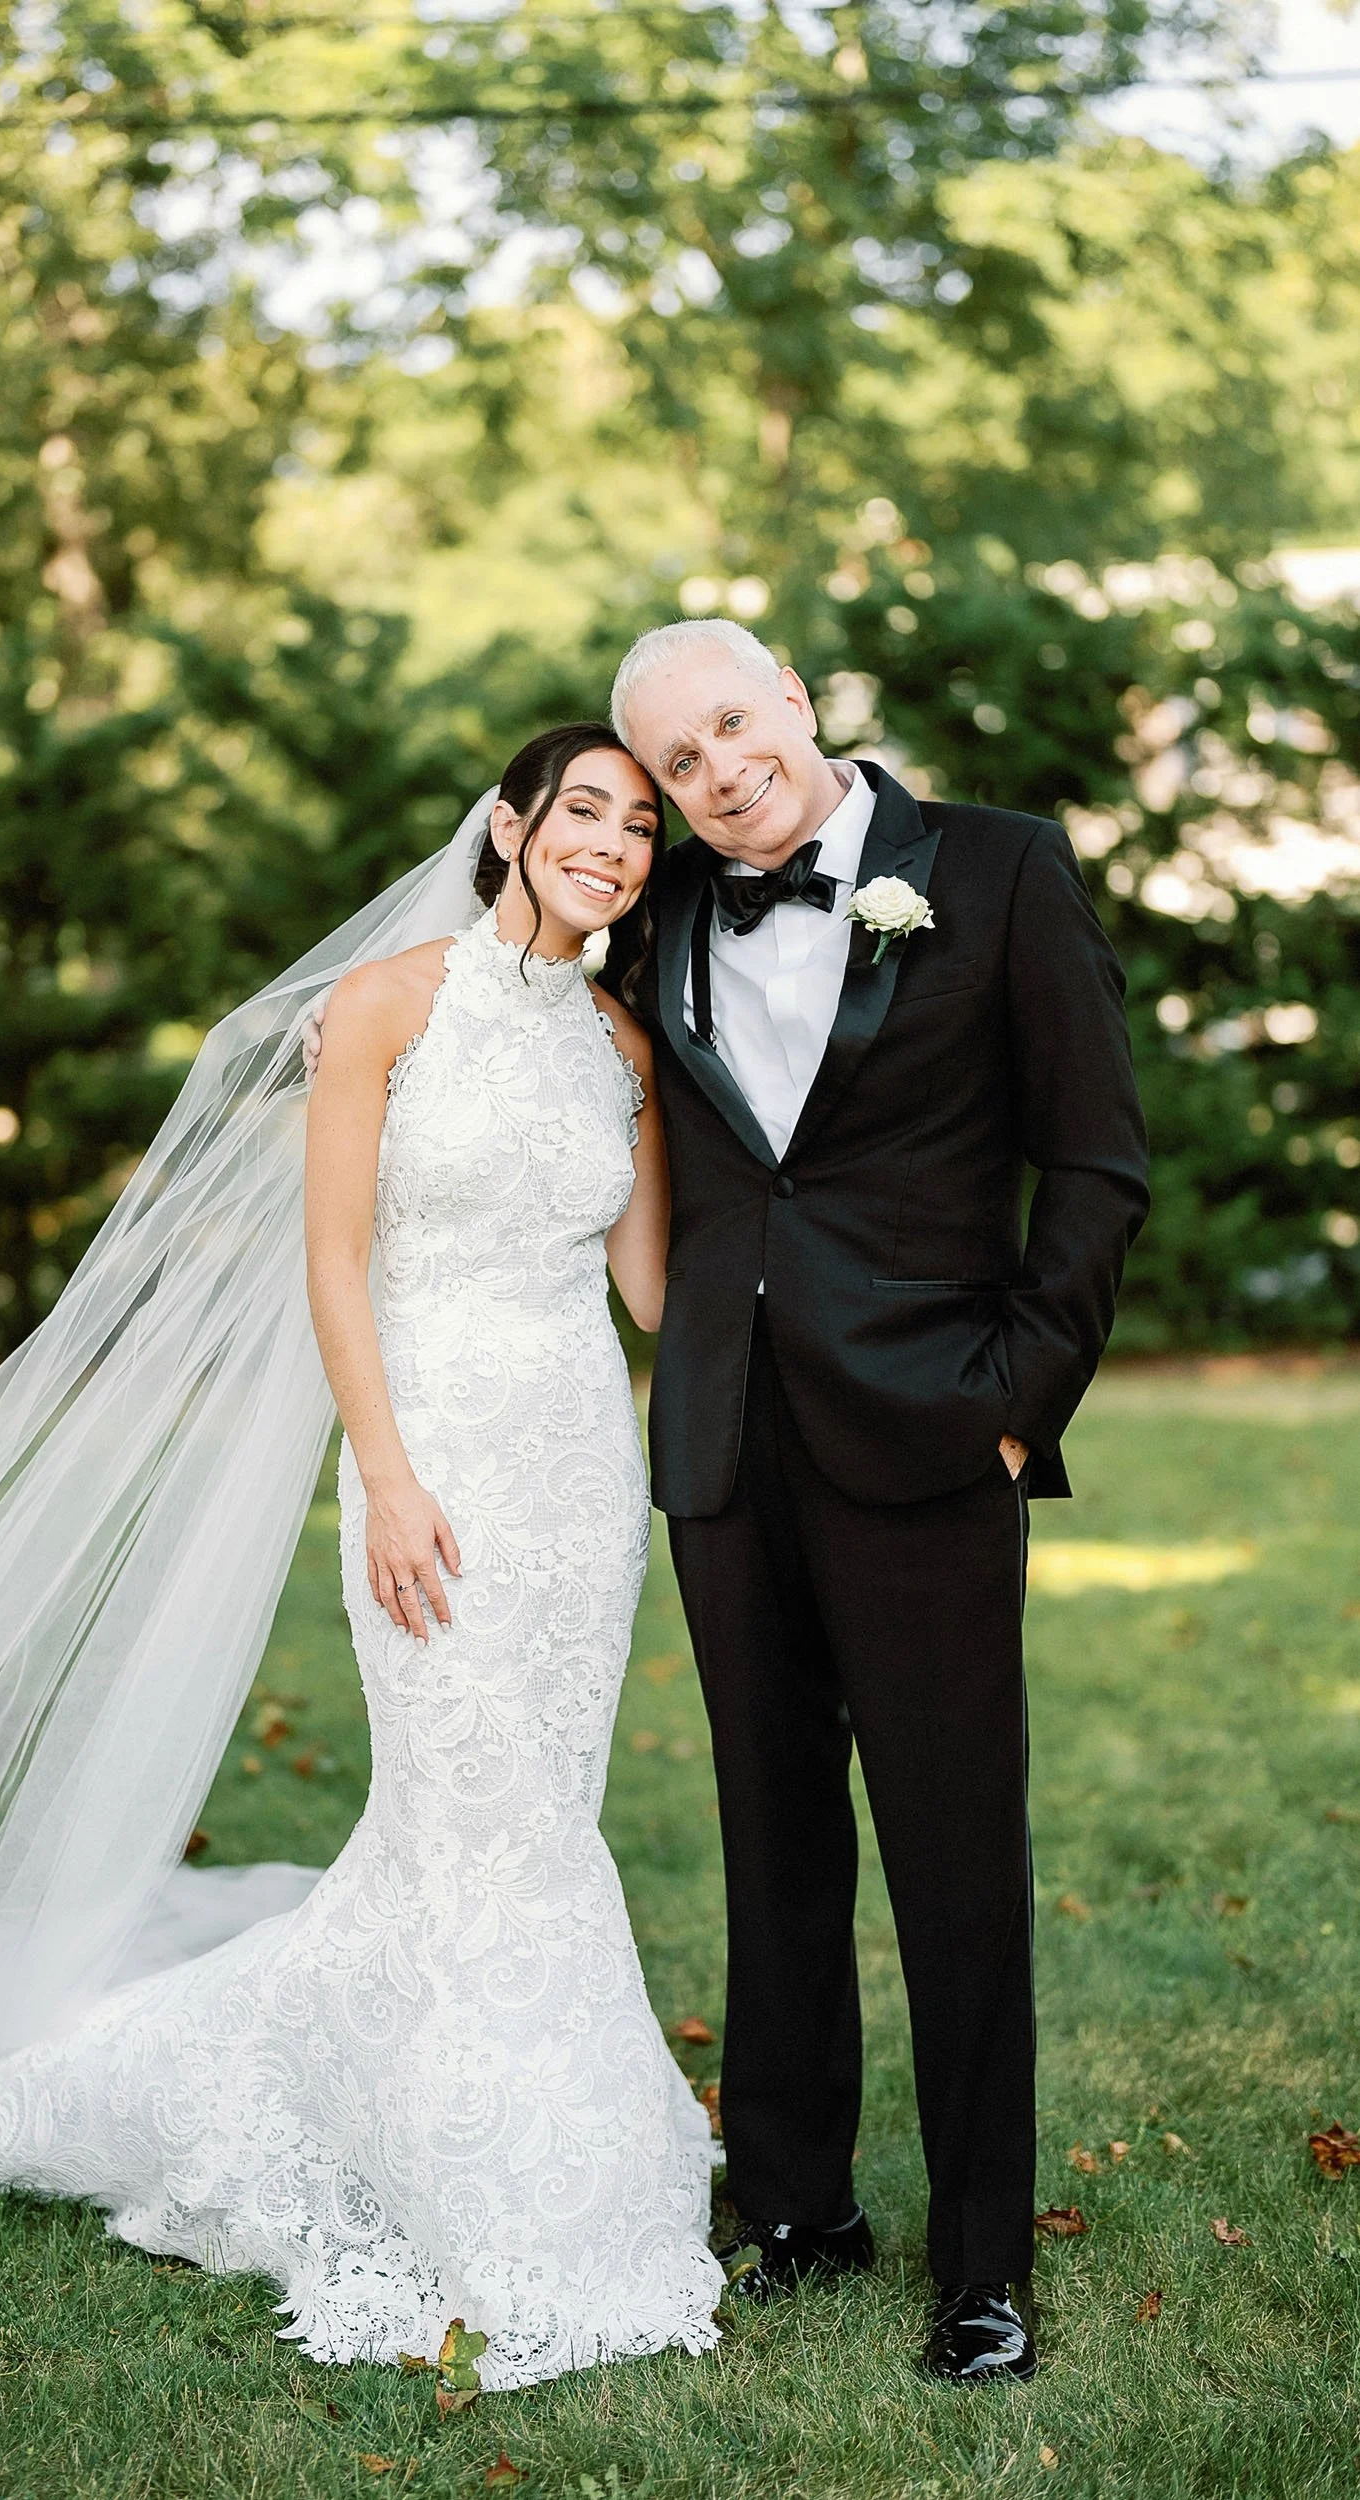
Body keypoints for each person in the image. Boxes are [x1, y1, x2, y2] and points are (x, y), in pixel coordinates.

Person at [0, 724, 726, 2390]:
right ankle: (487, 2173)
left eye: (638, 827)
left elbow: (652, 1297)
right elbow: (335, 1259)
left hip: (576, 1488)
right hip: (433, 1467)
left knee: (535, 1814)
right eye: (584, 812)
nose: (611, 845)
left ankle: (515, 2135)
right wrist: (386, 1480)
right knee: (464, 1813)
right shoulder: (388, 1005)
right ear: (511, 824)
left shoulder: (620, 1049)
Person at [599, 618, 1150, 2384]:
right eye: (677, 763)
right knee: (771, 1839)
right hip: (725, 1441)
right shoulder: (661, 913)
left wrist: (1012, 1404)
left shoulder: (992, 871)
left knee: (954, 1859)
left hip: (928, 1431)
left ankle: (980, 2261)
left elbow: (1093, 1159)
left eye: (731, 725)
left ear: (792, 701)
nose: (715, 772)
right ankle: (794, 2207)